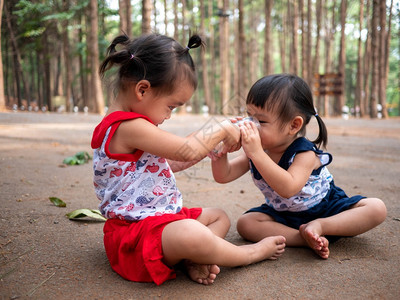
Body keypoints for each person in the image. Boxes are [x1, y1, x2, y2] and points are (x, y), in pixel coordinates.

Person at [90, 33, 286, 286]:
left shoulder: (132, 126)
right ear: (142, 89)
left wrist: (210, 145)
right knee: (191, 232)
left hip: (161, 222)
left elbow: (170, 161)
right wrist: (222, 128)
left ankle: (193, 257)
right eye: (171, 106)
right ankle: (247, 254)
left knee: (218, 216)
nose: (169, 116)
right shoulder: (127, 127)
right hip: (136, 235)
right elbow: (185, 149)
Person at [211, 74, 386, 259]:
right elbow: (224, 175)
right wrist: (219, 153)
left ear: (293, 125)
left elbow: (288, 188)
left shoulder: (304, 154)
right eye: (249, 116)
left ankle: (321, 227)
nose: (250, 125)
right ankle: (304, 237)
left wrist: (256, 153)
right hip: (284, 215)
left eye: (260, 121)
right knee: (246, 224)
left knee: (376, 208)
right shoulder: (257, 150)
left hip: (326, 209)